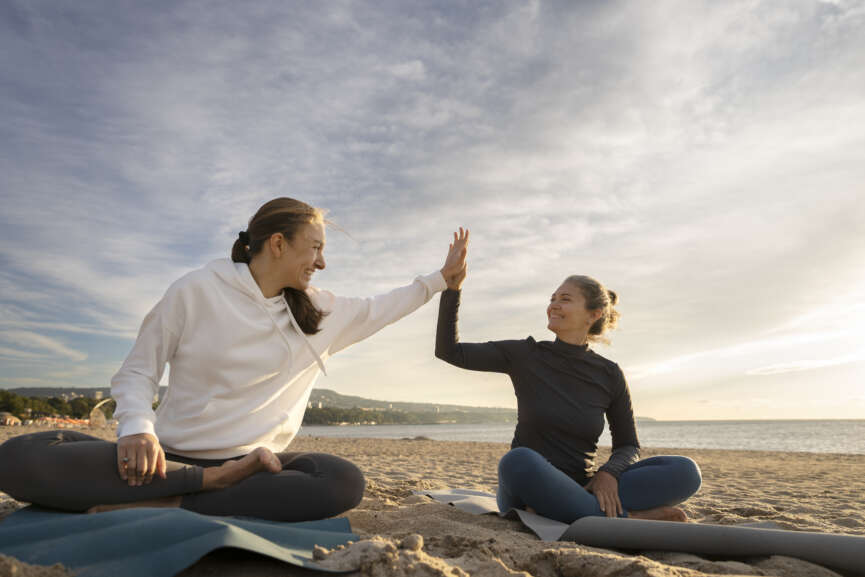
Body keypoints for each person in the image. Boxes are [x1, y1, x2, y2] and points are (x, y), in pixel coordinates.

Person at [0, 197, 466, 522]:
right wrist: (138, 429)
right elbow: (139, 369)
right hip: (167, 463)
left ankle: (172, 504)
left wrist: (441, 279)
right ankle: (199, 489)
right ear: (278, 244)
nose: (322, 262)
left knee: (341, 480)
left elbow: (382, 306)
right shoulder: (195, 290)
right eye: (317, 247)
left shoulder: (320, 312)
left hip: (253, 467)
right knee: (17, 458)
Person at [435, 229, 701, 523]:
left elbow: (628, 445)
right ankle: (630, 518)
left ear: (593, 314)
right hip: (528, 483)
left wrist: (608, 474)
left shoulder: (609, 374)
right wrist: (452, 290)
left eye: (565, 299)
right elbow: (450, 351)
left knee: (686, 471)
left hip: (583, 486)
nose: (553, 305)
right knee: (517, 460)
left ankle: (574, 509)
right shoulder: (525, 354)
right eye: (552, 298)